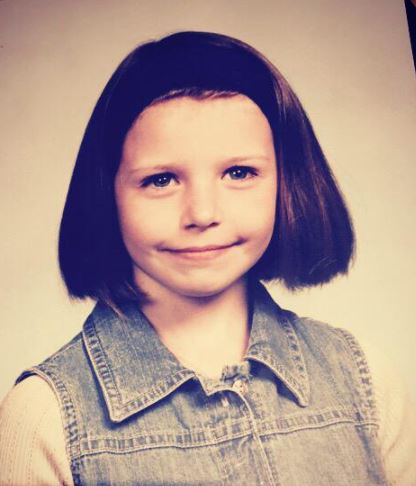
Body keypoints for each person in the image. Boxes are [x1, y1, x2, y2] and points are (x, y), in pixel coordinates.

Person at [0, 31, 414, 485]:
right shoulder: (44, 416)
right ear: (107, 195)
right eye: (161, 180)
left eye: (239, 172)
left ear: (286, 183)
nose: (202, 213)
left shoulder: (366, 381)